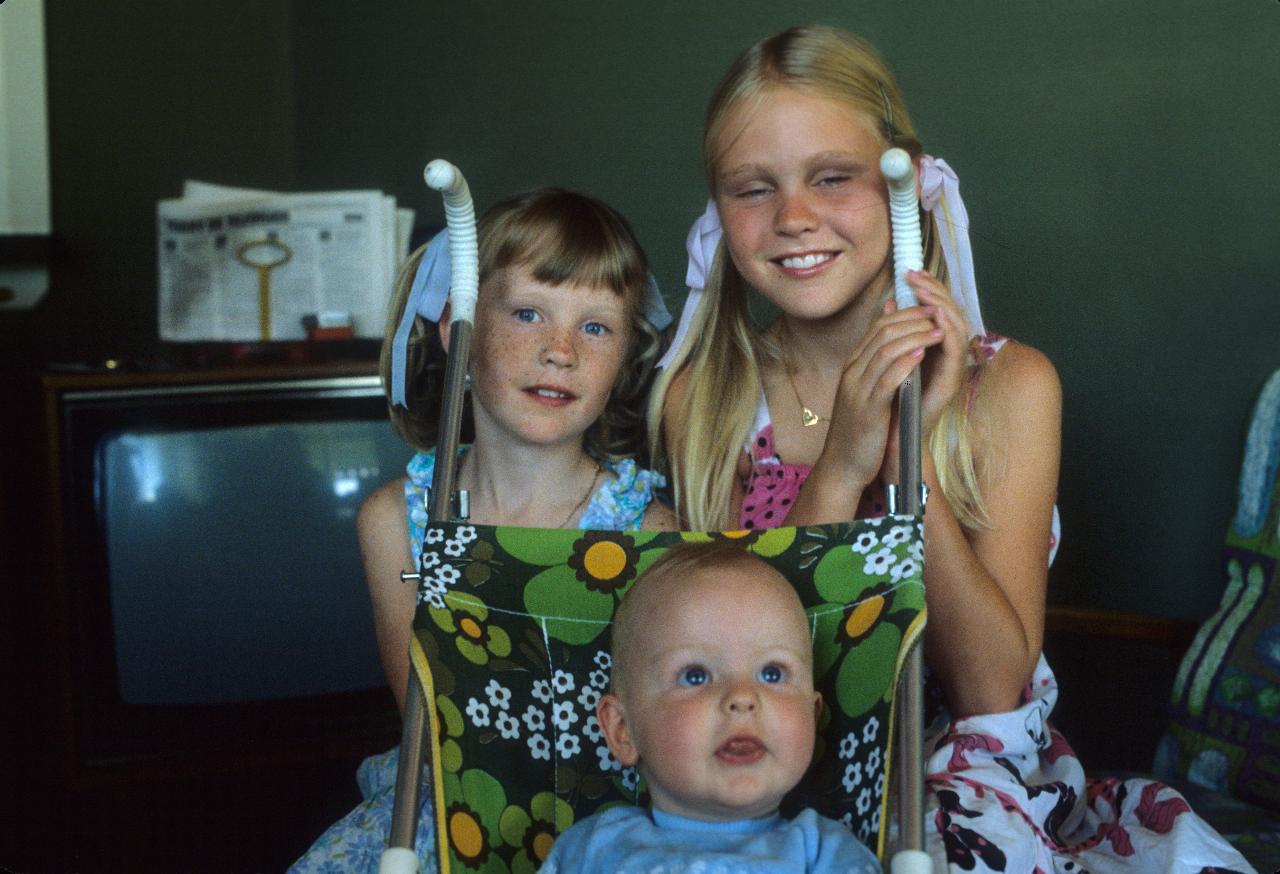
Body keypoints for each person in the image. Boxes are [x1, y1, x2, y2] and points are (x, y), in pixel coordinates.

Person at [650, 24, 1251, 872]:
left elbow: (992, 691)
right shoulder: (704, 400)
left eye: (832, 177)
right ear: (718, 211)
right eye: (754, 189)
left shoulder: (1009, 388)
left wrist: (909, 461)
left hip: (963, 775)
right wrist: (843, 466)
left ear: (907, 186)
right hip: (764, 761)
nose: (793, 217)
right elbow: (734, 658)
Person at [291, 187, 678, 873]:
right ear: (457, 333)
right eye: (528, 313)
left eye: (595, 327)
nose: (560, 351)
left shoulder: (644, 529)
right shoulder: (396, 522)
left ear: (624, 356)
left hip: (603, 821)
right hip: (454, 801)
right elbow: (432, 714)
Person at [541, 540, 881, 874]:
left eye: (772, 673)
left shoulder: (825, 853)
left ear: (812, 714)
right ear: (622, 730)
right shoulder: (591, 849)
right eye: (695, 676)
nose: (742, 696)